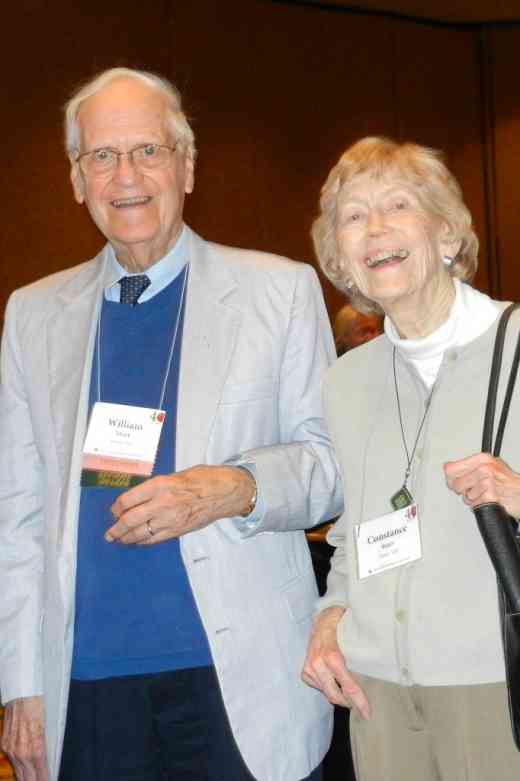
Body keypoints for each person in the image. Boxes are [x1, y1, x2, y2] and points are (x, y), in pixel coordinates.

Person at [0, 67, 342, 781]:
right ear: (76, 179)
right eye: (102, 156)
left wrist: (234, 486)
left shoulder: (278, 291)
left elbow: (331, 469)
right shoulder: (32, 314)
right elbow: (17, 515)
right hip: (86, 690)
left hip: (239, 683)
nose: (126, 174)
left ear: (186, 166)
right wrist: (21, 684)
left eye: (148, 150)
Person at [302, 136, 520, 781]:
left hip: (496, 680)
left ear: (448, 235)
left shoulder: (515, 349)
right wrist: (329, 620)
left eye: (398, 206)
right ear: (340, 260)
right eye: (353, 216)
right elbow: (353, 536)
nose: (376, 230)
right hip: (378, 693)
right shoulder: (347, 380)